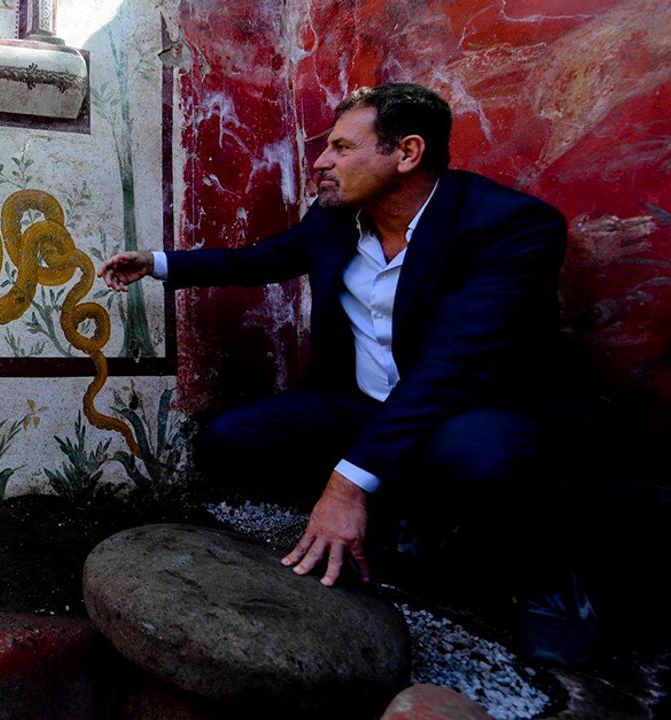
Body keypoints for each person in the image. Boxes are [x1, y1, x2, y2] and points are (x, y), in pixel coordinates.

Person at [98, 83, 596, 663]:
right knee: (231, 439)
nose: (320, 161)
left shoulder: (508, 227)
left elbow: (449, 371)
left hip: (469, 413)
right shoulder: (337, 219)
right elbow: (263, 258)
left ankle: (546, 583)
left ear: (406, 153)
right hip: (365, 405)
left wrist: (345, 486)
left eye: (340, 147)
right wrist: (157, 264)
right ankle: (405, 524)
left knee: (481, 456)